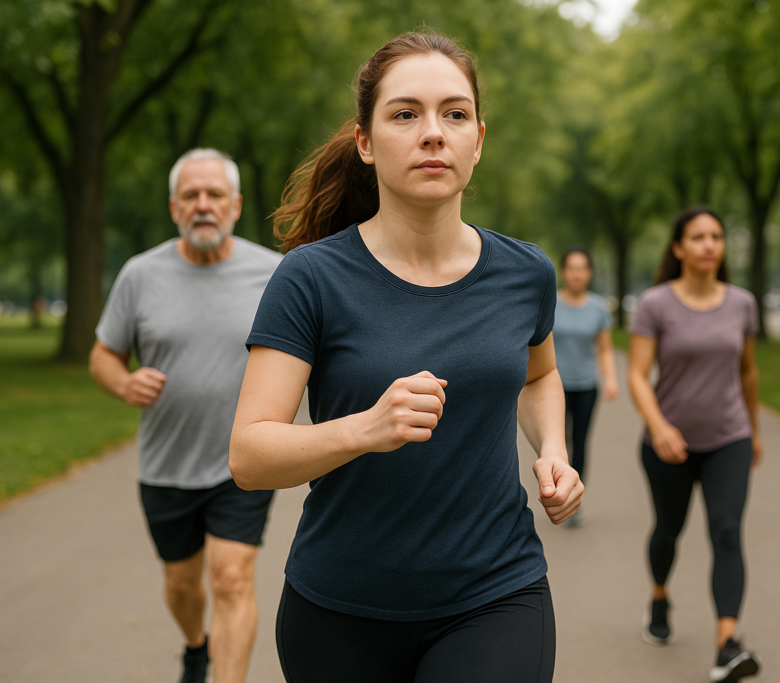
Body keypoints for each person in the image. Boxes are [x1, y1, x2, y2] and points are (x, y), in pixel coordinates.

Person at [228, 31, 583, 683]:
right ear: (365, 142)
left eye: (454, 113)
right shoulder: (309, 278)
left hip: (495, 594)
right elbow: (249, 455)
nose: (433, 133)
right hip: (339, 611)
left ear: (479, 138)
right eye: (404, 113)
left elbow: (541, 375)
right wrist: (365, 428)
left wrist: (553, 449)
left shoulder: (525, 271)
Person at [89, 149, 281, 683]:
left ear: (236, 205)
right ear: (174, 207)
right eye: (191, 196)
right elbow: (103, 354)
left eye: (214, 194)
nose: (203, 205)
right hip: (166, 464)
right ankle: (196, 646)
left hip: (243, 459)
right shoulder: (140, 275)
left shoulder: (274, 273)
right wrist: (123, 381)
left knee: (232, 578)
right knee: (181, 584)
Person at [627, 206, 763, 682]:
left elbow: (747, 372)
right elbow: (638, 376)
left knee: (727, 532)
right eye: (699, 236)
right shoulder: (656, 304)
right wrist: (659, 426)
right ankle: (659, 596)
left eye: (717, 236)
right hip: (670, 445)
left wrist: (755, 431)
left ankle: (727, 644)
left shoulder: (742, 303)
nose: (709, 244)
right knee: (669, 530)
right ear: (679, 248)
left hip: (730, 438)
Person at [553, 246, 618, 527]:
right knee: (558, 443)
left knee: (579, 442)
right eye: (571, 268)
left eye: (582, 268)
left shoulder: (597, 308)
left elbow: (604, 348)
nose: (576, 274)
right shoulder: (550, 302)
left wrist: (611, 377)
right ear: (564, 271)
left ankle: (574, 500)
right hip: (554, 386)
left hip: (586, 387)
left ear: (589, 273)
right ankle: (556, 491)